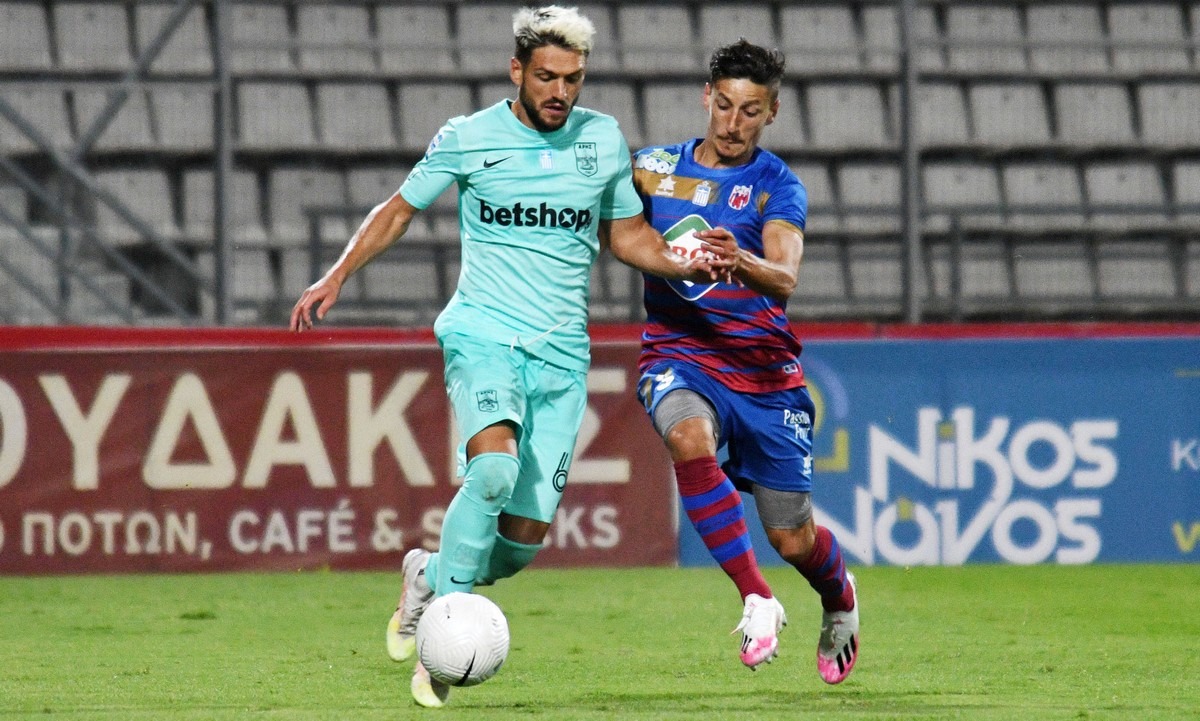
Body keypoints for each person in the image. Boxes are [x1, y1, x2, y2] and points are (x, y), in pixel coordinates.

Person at [290, 6, 735, 709]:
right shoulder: (469, 137)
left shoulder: (601, 140)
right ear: (517, 71)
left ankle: (428, 573)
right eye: (547, 76)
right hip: (484, 334)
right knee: (492, 472)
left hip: (561, 357)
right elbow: (399, 209)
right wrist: (338, 274)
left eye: (573, 79)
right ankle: (439, 650)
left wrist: (684, 260)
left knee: (522, 540)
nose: (560, 91)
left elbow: (627, 237)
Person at [629, 40, 860, 683]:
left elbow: (785, 276)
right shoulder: (649, 169)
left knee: (792, 537)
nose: (733, 123)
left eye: (750, 111)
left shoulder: (776, 186)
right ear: (707, 97)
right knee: (686, 435)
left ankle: (839, 596)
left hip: (763, 375)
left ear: (772, 112)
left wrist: (742, 260)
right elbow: (613, 227)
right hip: (680, 352)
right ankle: (756, 598)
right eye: (725, 105)